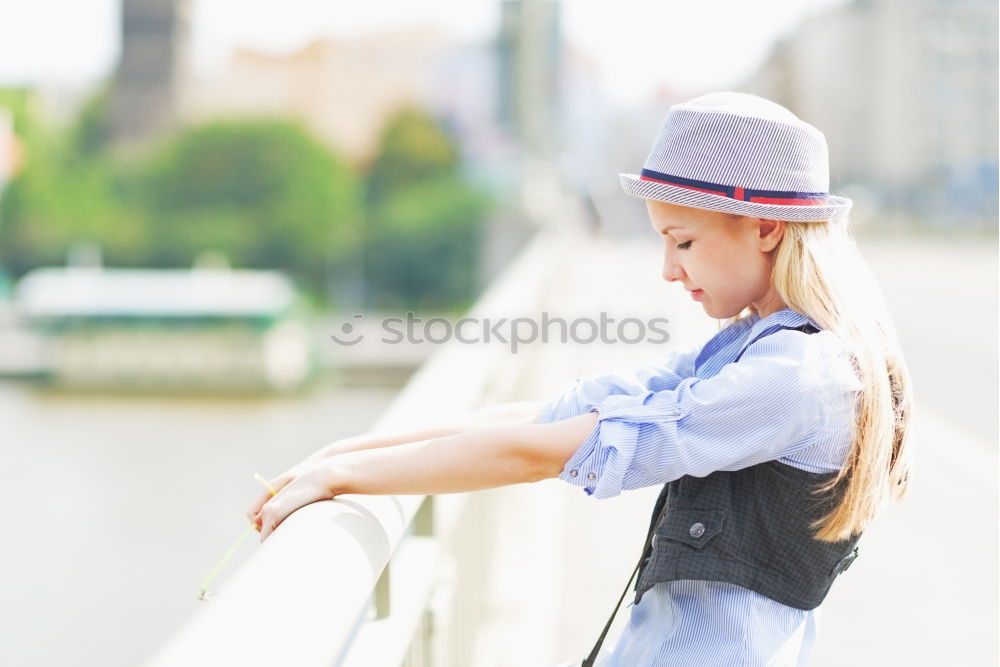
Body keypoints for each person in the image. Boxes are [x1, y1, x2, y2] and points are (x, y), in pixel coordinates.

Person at [246, 92, 913, 666]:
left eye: (682, 240)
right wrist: (345, 454)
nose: (668, 269)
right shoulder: (749, 348)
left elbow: (537, 451)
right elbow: (550, 416)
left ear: (765, 226)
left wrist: (340, 480)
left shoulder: (800, 376)